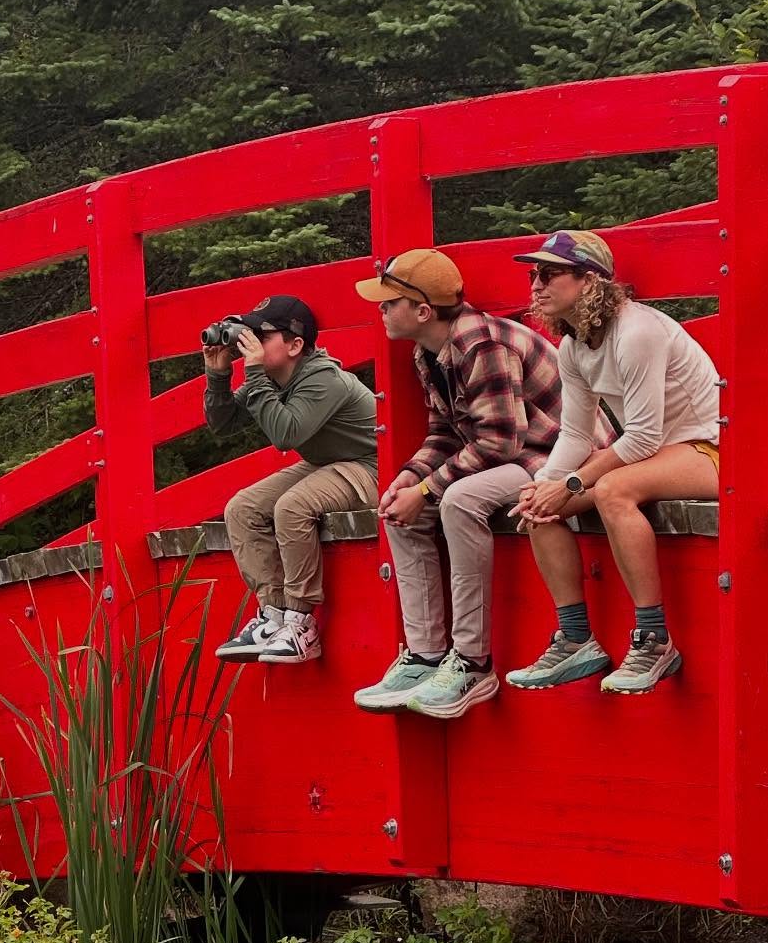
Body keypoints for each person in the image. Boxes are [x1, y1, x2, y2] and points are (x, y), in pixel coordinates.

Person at [351, 248, 596, 720]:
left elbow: (501, 441)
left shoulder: (481, 342)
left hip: (557, 459)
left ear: (423, 312)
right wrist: (411, 476)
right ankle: (424, 656)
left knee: (458, 500)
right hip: (513, 455)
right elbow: (446, 433)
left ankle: (472, 663)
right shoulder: (429, 352)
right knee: (398, 507)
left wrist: (427, 490)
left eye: (389, 302)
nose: (381, 310)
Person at [509, 229, 721, 696]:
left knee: (610, 489)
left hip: (711, 451)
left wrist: (573, 481)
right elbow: (577, 433)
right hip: (662, 454)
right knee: (537, 505)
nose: (536, 285)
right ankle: (576, 637)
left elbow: (642, 438)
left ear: (589, 281)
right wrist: (545, 483)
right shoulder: (573, 345)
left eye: (549, 273)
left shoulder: (637, 331)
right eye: (532, 274)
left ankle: (653, 639)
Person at [205, 295, 378, 665]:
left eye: (261, 336)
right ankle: (274, 615)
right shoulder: (271, 377)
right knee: (242, 509)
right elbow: (223, 425)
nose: (249, 343)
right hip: (328, 464)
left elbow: (287, 435)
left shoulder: (325, 379)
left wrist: (252, 373)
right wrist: (219, 375)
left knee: (292, 506)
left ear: (296, 344)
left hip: (373, 467)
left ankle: (301, 623)